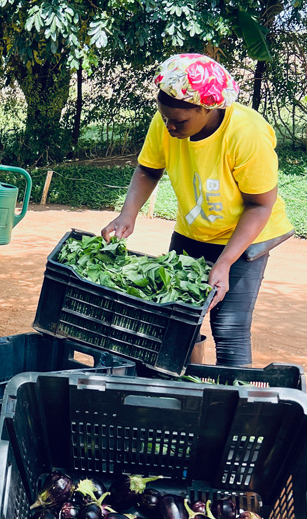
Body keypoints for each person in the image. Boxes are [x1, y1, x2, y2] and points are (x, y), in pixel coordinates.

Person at [102, 53, 293, 367]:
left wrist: (224, 263)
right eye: (165, 118)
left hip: (245, 238)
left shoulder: (246, 132)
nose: (169, 127)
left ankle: (231, 394)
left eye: (179, 122)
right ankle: (177, 388)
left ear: (207, 107)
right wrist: (128, 214)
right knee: (172, 318)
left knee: (228, 326)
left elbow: (260, 205)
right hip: (193, 230)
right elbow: (148, 169)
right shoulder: (167, 121)